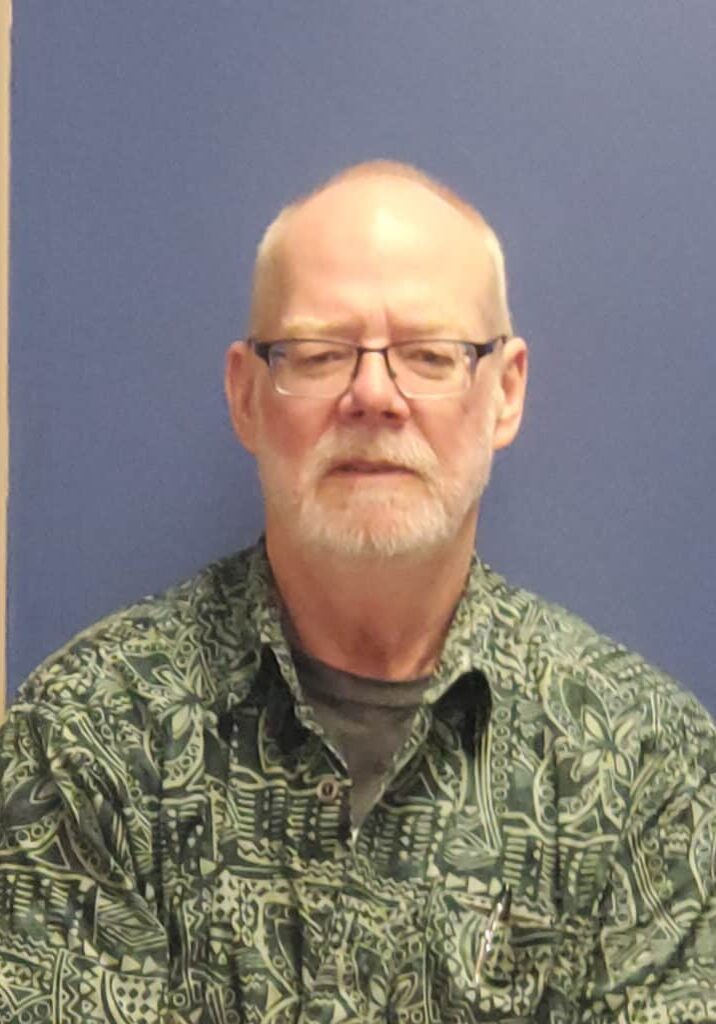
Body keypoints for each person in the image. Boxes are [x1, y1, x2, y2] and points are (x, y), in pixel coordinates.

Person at [1, 160, 714, 1023]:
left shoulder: (649, 769)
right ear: (246, 395)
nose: (373, 394)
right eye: (318, 351)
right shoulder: (88, 739)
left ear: (505, 392)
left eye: (429, 354)